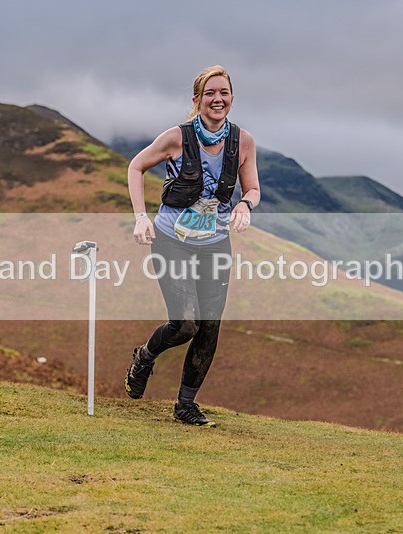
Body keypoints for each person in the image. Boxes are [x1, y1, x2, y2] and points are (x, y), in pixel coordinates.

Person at [126, 65, 260, 427]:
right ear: (197, 100)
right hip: (172, 241)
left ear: (231, 98)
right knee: (185, 324)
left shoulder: (242, 142)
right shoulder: (176, 138)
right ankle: (145, 356)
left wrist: (245, 205)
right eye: (210, 93)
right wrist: (141, 217)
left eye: (224, 93)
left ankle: (186, 406)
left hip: (215, 244)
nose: (218, 99)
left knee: (209, 327)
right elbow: (136, 167)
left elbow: (252, 189)